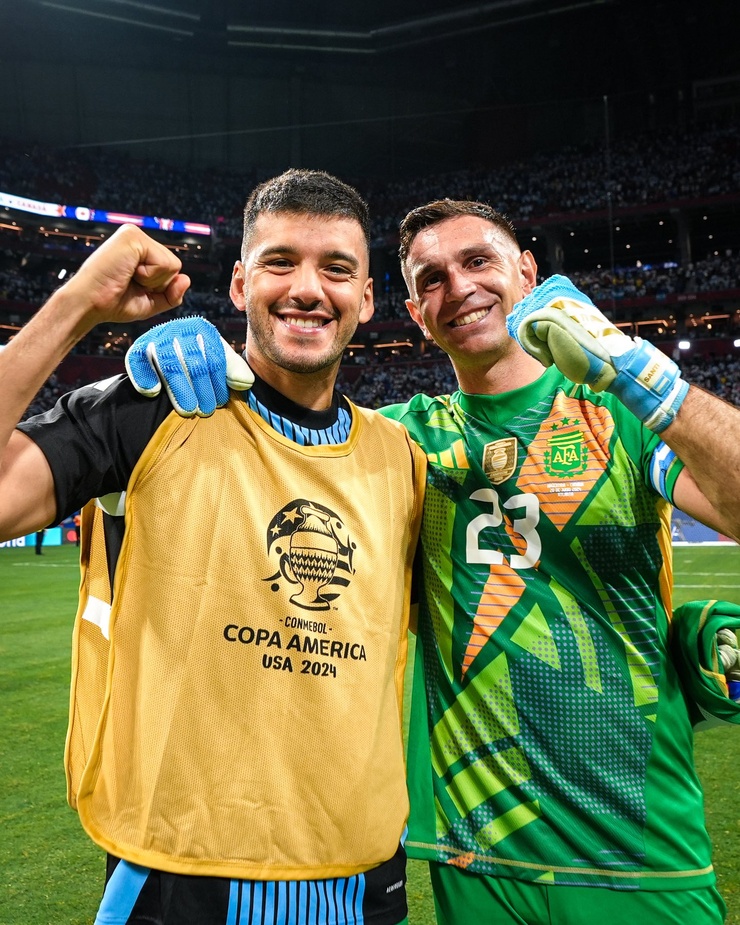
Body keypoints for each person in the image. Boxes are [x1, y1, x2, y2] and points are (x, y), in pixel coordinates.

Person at [128, 198, 740, 925]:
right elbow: (270, 469)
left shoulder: (620, 414)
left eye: (478, 261)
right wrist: (199, 374)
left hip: (640, 849)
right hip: (477, 857)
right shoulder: (397, 442)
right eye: (432, 280)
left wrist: (646, 377)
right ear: (417, 313)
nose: (460, 287)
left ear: (527, 272)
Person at [0, 169, 426, 925]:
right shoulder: (152, 407)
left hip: (362, 874)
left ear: (366, 299)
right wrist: (78, 305)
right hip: (180, 874)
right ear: (238, 284)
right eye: (279, 262)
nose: (307, 288)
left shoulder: (402, 460)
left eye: (335, 269)